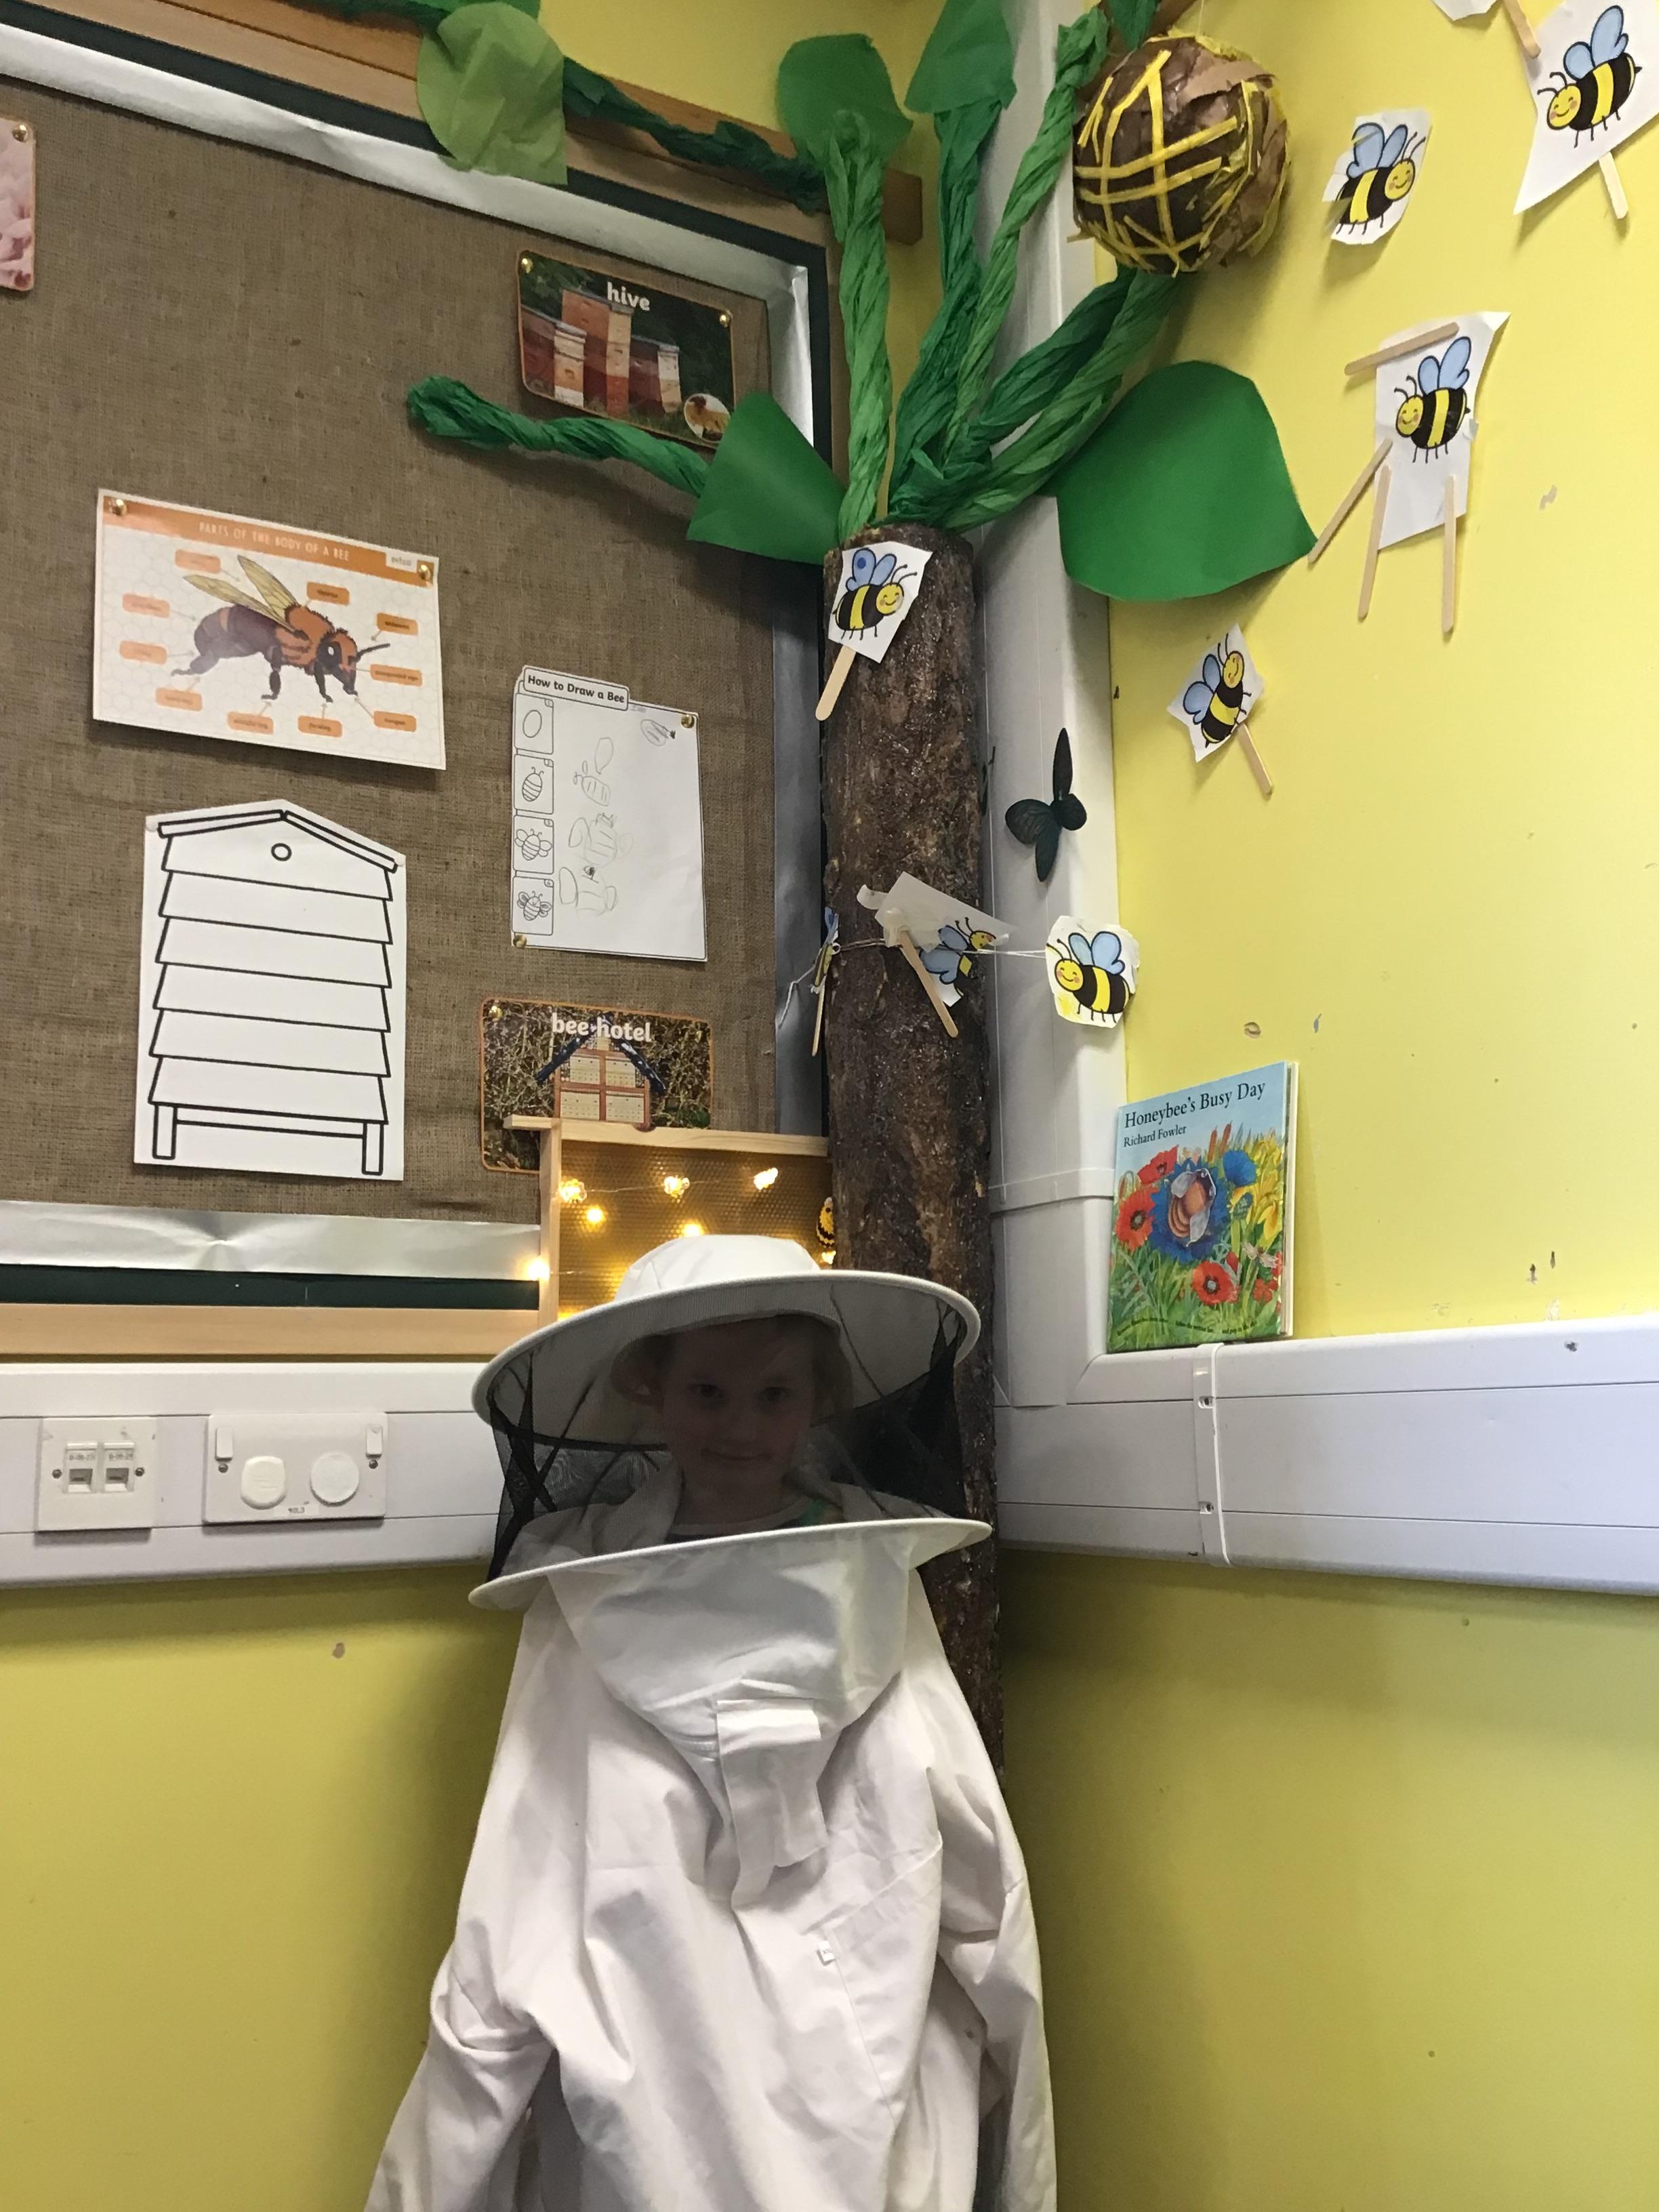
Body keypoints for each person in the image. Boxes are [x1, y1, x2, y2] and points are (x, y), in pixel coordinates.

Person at [366, 1233, 1054, 2212]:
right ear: (652, 1388)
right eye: (709, 1392)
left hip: (756, 2048)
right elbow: (524, 1871)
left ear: (816, 1399)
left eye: (773, 1394)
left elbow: (959, 1828)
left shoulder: (870, 1568)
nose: (741, 1424)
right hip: (695, 2015)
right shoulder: (586, 1588)